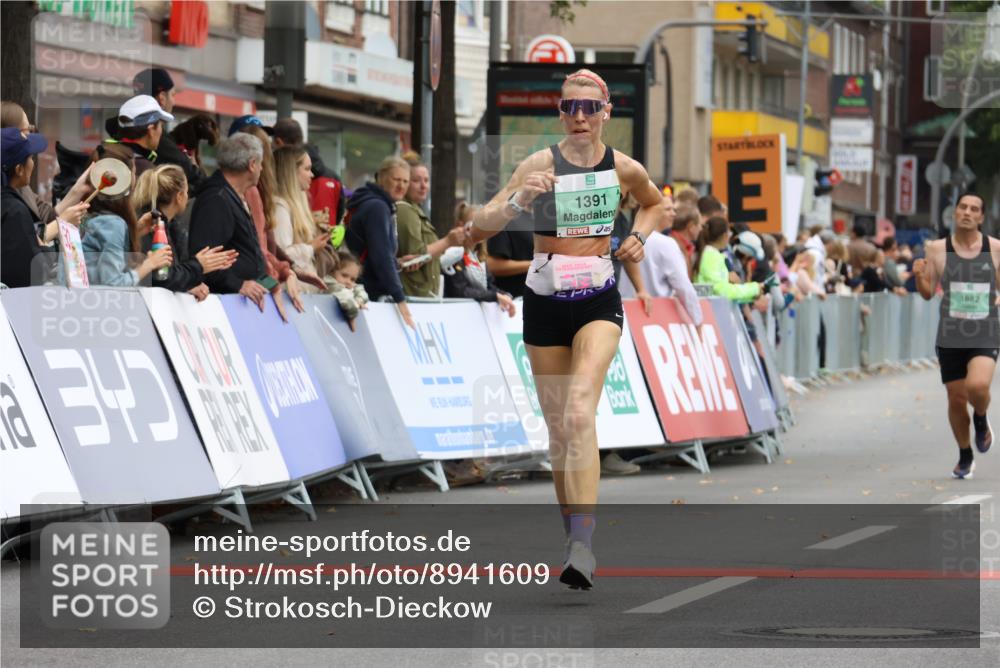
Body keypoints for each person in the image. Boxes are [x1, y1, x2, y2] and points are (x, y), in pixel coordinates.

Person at [469, 68, 662, 590]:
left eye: (588, 108)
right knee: (561, 433)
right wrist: (518, 201)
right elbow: (481, 225)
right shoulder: (538, 163)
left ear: (605, 113)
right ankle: (574, 536)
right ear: (560, 112)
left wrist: (639, 237)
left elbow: (655, 202)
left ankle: (583, 542)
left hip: (598, 298)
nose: (578, 116)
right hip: (545, 301)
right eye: (569, 107)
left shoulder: (622, 167)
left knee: (580, 411)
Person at [914, 192, 996, 479]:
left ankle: (982, 419)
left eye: (974, 209)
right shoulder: (936, 249)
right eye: (963, 207)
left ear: (981, 217)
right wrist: (919, 276)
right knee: (956, 397)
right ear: (955, 212)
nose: (967, 212)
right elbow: (927, 293)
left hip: (985, 329)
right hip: (950, 331)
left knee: (978, 386)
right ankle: (965, 454)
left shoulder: (995, 249)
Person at [187, 133, 272, 310]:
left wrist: (273, 284)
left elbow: (253, 258)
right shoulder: (216, 199)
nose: (262, 169)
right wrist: (238, 285)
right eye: (261, 164)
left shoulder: (233, 195)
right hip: (223, 305)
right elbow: (205, 257)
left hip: (240, 304)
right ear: (252, 164)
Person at [133, 164, 237, 300]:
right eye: (187, 192)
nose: (188, 197)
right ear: (180, 196)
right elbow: (161, 276)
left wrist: (188, 284)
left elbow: (168, 275)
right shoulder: (152, 226)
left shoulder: (168, 226)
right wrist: (198, 266)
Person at [1, 128, 89, 287]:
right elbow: (29, 272)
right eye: (30, 158)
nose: (33, 163)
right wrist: (44, 250)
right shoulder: (14, 210)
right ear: (19, 169)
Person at [79, 144, 172, 286]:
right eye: (134, 173)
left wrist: (136, 231)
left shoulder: (84, 214)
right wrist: (149, 264)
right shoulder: (113, 224)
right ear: (125, 181)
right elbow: (112, 284)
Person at [344, 156, 415, 327]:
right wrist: (400, 298)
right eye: (396, 179)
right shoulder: (378, 207)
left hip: (359, 287)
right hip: (365, 293)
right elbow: (381, 256)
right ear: (381, 178)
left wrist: (396, 262)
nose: (401, 185)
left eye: (406, 181)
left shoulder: (376, 204)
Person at [395, 154, 465, 298]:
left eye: (426, 180)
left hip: (421, 293)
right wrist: (448, 241)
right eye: (416, 180)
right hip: (413, 294)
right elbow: (416, 257)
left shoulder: (414, 210)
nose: (423, 186)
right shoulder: (405, 210)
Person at [273, 145, 337, 285]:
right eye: (307, 169)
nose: (312, 174)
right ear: (291, 172)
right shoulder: (280, 207)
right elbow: (281, 256)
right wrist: (311, 247)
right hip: (290, 292)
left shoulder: (292, 204)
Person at [132, 68, 205, 191]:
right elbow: (196, 178)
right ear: (162, 98)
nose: (174, 101)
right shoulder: (154, 138)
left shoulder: (126, 130)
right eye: (173, 95)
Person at [441, 206, 516, 316]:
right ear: (461, 225)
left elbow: (488, 286)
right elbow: (460, 290)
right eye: (475, 224)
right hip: (455, 315)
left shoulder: (479, 257)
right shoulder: (452, 253)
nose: (482, 230)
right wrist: (495, 296)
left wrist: (504, 295)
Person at [695, 217, 763, 303]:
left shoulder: (713, 254)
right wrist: (754, 288)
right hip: (713, 312)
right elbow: (721, 291)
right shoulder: (710, 256)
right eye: (730, 233)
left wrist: (751, 296)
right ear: (725, 236)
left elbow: (722, 294)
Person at [111, 95, 174, 177]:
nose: (161, 131)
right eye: (160, 125)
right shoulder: (148, 173)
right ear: (151, 129)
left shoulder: (103, 152)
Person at [485, 213, 534, 298]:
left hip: (547, 298)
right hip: (513, 302)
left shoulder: (547, 219)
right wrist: (536, 264)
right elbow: (493, 266)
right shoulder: (506, 218)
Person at [329, 248, 370, 320]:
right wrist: (356, 305)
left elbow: (361, 292)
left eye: (353, 279)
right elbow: (344, 296)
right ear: (331, 271)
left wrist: (358, 300)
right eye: (344, 275)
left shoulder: (351, 286)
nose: (348, 281)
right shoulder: (329, 285)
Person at [669, 203, 701, 277]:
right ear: (691, 226)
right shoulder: (673, 246)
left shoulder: (685, 247)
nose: (701, 228)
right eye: (699, 224)